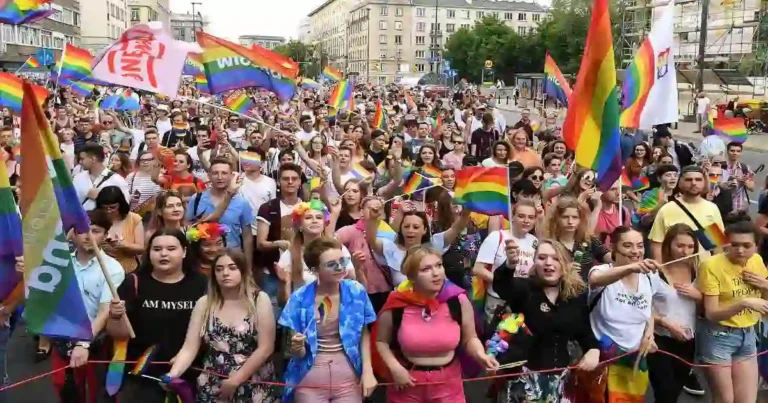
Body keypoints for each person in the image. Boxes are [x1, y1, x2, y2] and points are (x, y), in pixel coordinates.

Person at [374, 245, 499, 403]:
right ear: (412, 277)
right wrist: (395, 368)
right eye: (426, 269)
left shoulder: (457, 300)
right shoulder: (398, 303)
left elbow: (470, 338)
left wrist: (481, 355)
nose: (436, 273)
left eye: (439, 266)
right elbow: (381, 341)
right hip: (406, 382)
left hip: (448, 383)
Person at [492, 239, 600, 402]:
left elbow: (584, 331)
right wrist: (509, 265)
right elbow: (503, 286)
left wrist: (593, 350)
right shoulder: (524, 289)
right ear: (534, 262)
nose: (548, 263)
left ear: (565, 263)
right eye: (542, 258)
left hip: (561, 381)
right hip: (523, 382)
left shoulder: (575, 295)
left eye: (556, 258)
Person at [106, 229, 208, 400]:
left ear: (184, 252)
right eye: (157, 249)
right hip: (143, 376)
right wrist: (115, 317)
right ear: (149, 253)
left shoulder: (201, 283)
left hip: (190, 373)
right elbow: (117, 334)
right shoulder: (134, 282)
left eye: (171, 249)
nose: (164, 254)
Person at [166, 251, 279, 402]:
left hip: (254, 384)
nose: (225, 273)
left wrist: (235, 380)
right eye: (219, 269)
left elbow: (265, 348)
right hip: (213, 384)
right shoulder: (204, 303)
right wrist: (172, 376)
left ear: (243, 270)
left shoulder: (259, 299)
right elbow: (189, 348)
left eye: (232, 268)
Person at [279, 237, 377, 403]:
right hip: (310, 377)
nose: (340, 267)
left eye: (342, 261)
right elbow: (296, 352)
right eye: (331, 264)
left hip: (348, 376)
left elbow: (364, 334)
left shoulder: (356, 291)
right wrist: (296, 347)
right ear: (314, 269)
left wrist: (368, 371)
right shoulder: (299, 299)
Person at [577, 226, 662, 403]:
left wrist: (650, 332)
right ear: (614, 247)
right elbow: (595, 281)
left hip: (635, 361)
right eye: (628, 245)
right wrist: (630, 268)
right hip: (604, 360)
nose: (635, 251)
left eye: (639, 245)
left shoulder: (649, 276)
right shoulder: (600, 271)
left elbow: (649, 308)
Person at [51, 210, 125, 402]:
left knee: (98, 393)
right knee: (65, 389)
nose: (88, 236)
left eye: (96, 230)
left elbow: (103, 312)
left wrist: (83, 343)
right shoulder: (59, 264)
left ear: (106, 234)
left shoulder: (113, 268)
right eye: (82, 231)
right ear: (72, 234)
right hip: (63, 337)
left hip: (96, 340)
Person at [697, 221, 768, 403]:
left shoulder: (757, 261)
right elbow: (711, 314)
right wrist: (744, 303)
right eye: (734, 244)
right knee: (725, 400)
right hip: (718, 336)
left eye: (747, 245)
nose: (740, 250)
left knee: (747, 400)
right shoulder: (711, 266)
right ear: (726, 242)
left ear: (756, 245)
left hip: (748, 334)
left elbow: (764, 301)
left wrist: (765, 285)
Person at [647, 224, 701, 403]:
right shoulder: (655, 273)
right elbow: (641, 308)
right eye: (680, 246)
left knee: (676, 389)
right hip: (660, 339)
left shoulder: (698, 272)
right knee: (665, 392)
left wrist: (698, 296)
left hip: (688, 339)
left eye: (690, 246)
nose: (685, 251)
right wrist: (666, 323)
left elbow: (710, 306)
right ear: (668, 245)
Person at [364, 197, 471, 286]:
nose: (410, 230)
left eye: (415, 227)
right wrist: (373, 219)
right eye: (406, 226)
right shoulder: (391, 248)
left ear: (424, 230)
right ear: (401, 228)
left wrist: (466, 212)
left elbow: (456, 228)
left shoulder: (433, 244)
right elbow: (372, 240)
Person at [473, 200, 539, 320]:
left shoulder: (535, 241)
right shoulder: (497, 237)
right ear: (512, 217)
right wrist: (505, 283)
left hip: (523, 301)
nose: (526, 221)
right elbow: (478, 269)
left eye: (531, 217)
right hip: (497, 300)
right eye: (521, 216)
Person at [649, 166, 725, 262]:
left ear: (704, 182)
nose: (694, 183)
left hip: (704, 269)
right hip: (675, 270)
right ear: (680, 183)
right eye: (689, 180)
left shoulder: (711, 208)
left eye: (698, 180)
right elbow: (657, 244)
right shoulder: (667, 210)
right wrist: (662, 270)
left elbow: (718, 245)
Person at [186, 158, 254, 263]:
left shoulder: (242, 202)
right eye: (215, 173)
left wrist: (248, 268)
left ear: (231, 176)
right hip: (202, 259)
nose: (220, 177)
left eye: (224, 173)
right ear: (209, 176)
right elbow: (188, 228)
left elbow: (247, 237)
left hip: (231, 259)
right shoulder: (197, 199)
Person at [96, 186, 145, 273]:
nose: (109, 211)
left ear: (120, 205)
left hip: (128, 269)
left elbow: (140, 248)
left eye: (112, 207)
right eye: (105, 208)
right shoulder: (96, 219)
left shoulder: (133, 219)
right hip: (103, 270)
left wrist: (123, 246)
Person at [73, 143, 130, 211]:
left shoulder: (117, 180)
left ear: (93, 159)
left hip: (104, 220)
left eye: (82, 159)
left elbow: (125, 206)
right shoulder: (78, 178)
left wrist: (101, 198)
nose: (80, 162)